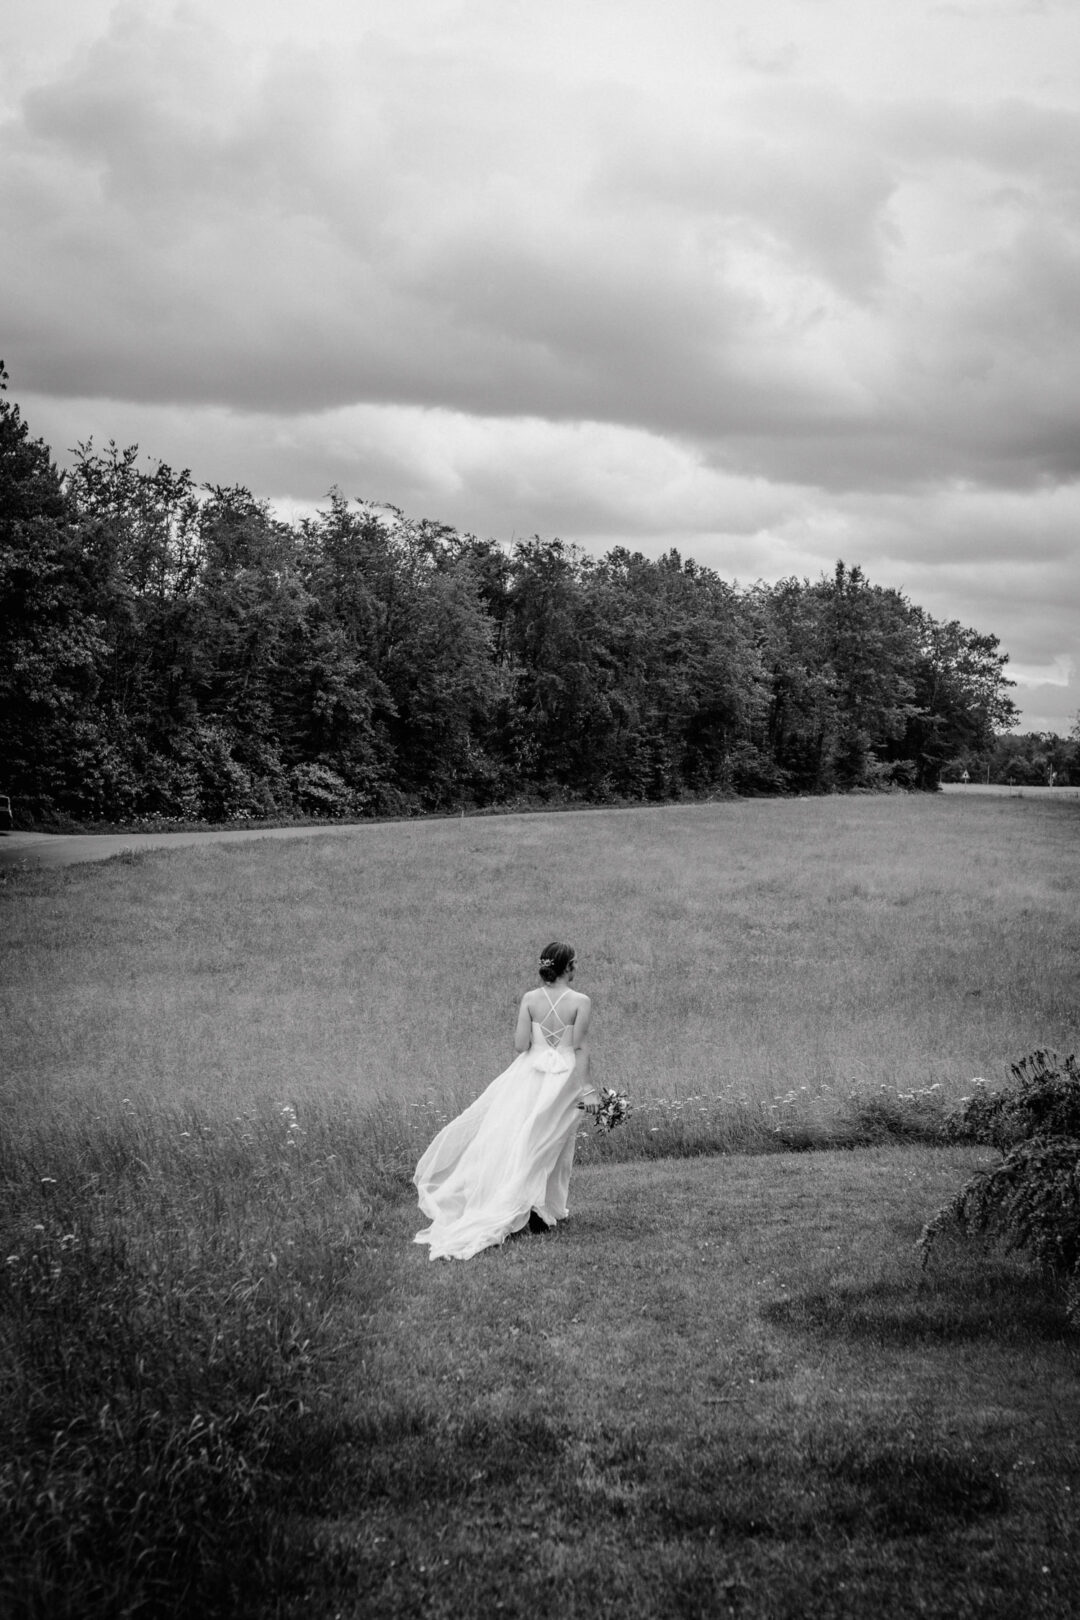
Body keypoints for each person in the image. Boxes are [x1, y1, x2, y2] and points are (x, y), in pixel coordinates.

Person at [413, 941, 596, 1260]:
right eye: (575, 963)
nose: (577, 968)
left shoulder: (529, 999)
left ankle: (537, 1207)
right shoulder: (581, 1001)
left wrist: (540, 1041)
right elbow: (578, 1047)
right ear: (566, 967)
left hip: (530, 1074)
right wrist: (587, 1088)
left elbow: (519, 1045)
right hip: (564, 1077)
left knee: (524, 1138)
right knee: (554, 1142)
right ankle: (541, 1208)